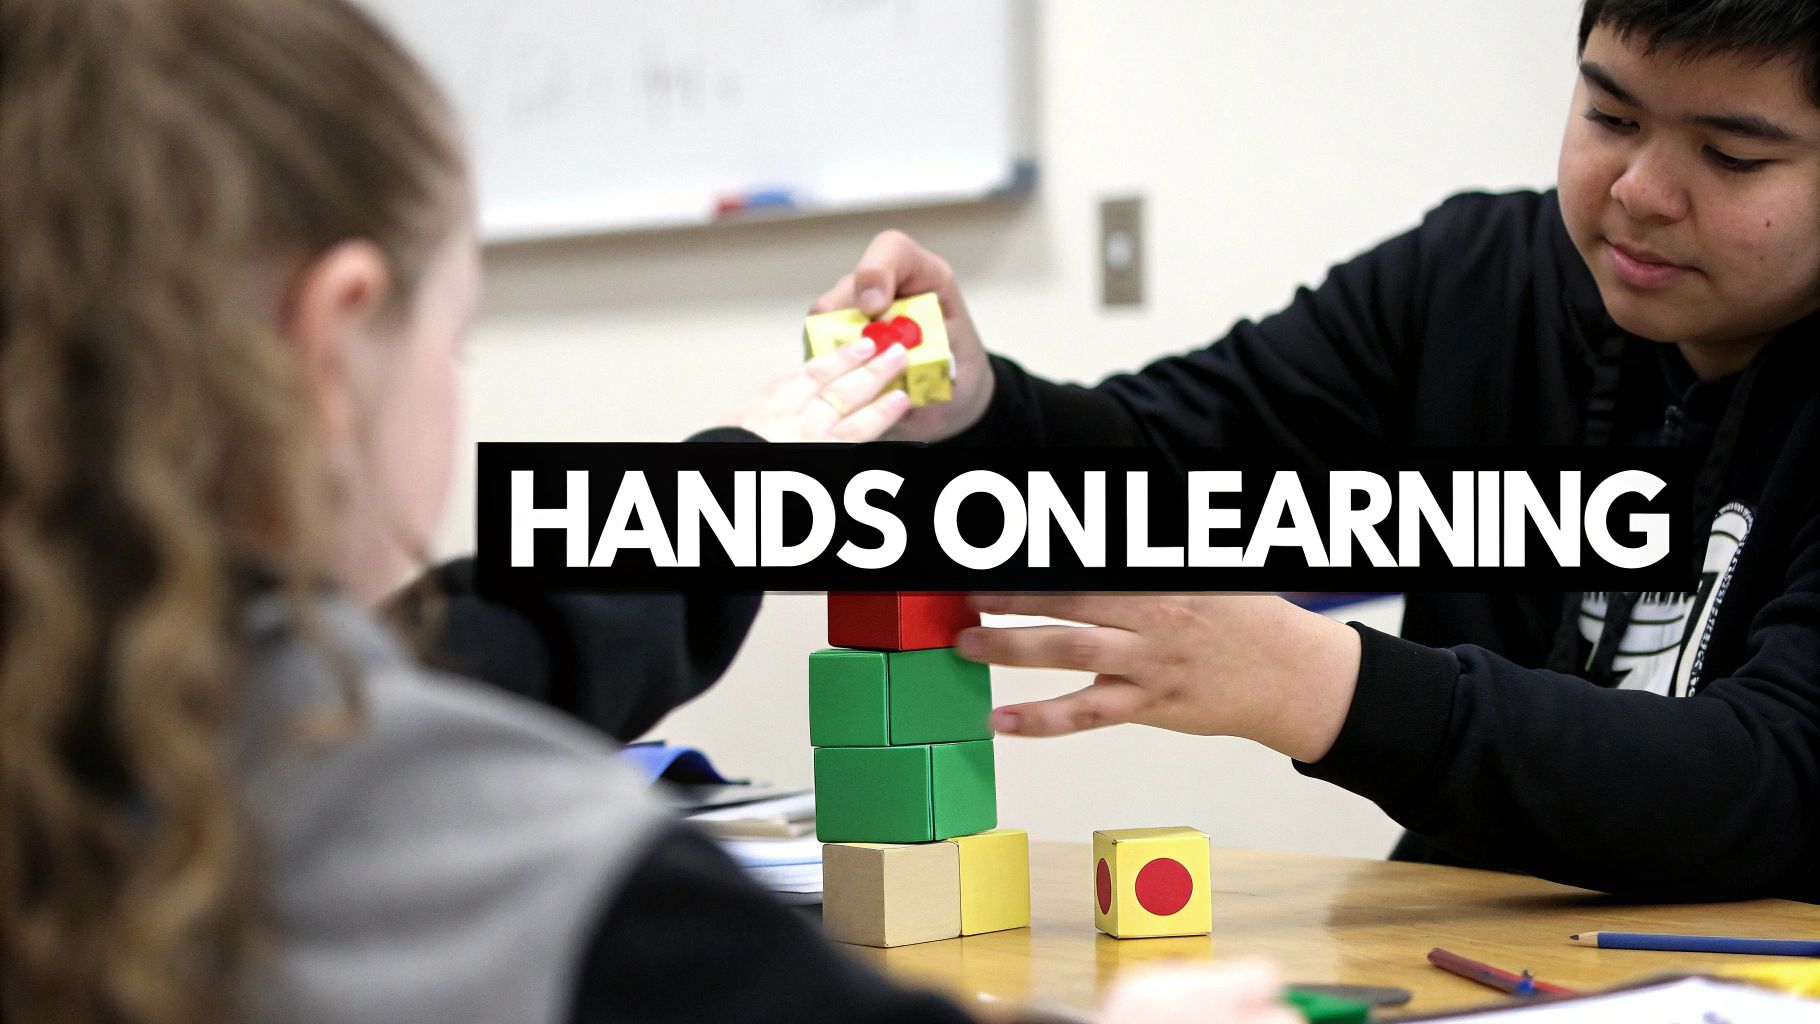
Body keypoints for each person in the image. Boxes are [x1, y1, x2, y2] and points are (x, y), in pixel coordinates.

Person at [0, 1, 1302, 1022]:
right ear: (335, 339)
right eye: (458, 339)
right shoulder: (511, 866)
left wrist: (732, 481)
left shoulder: (101, 703)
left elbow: (456, 656)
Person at [812, 0, 1820, 904]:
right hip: (1452, 946)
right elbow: (1167, 465)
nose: (1640, 192)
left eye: (1730, 157)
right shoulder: (1467, 281)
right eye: (1610, 117)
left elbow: (1771, 777)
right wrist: (976, 408)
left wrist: (1314, 682)